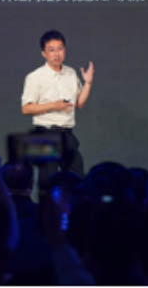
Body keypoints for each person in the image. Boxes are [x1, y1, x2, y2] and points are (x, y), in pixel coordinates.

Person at [21, 30, 94, 179]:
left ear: (65, 50)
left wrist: (88, 83)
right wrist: (53, 105)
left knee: (77, 177)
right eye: (52, 50)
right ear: (44, 53)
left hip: (67, 134)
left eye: (60, 49)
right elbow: (26, 108)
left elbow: (79, 103)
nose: (57, 54)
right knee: (48, 178)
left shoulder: (71, 73)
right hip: (46, 134)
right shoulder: (35, 77)